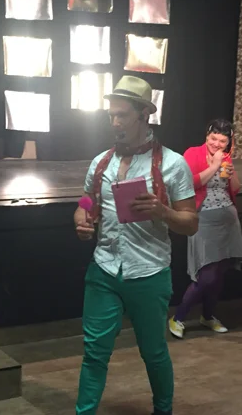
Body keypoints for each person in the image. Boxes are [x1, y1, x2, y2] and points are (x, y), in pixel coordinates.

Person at [74, 76, 198, 415]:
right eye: (111, 115)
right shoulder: (101, 162)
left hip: (149, 273)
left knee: (153, 352)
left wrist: (163, 211)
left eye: (122, 115)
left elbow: (191, 223)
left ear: (144, 114)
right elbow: (86, 200)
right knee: (94, 352)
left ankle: (163, 410)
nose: (114, 123)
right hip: (103, 270)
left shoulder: (173, 164)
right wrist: (81, 218)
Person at [169, 119, 242, 339]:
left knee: (220, 273)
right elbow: (188, 183)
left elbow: (236, 188)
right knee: (206, 275)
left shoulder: (225, 157)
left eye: (222, 141)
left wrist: (230, 173)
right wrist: (213, 167)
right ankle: (178, 317)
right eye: (214, 139)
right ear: (207, 136)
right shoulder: (193, 153)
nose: (217, 144)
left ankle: (208, 316)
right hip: (203, 220)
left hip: (228, 220)